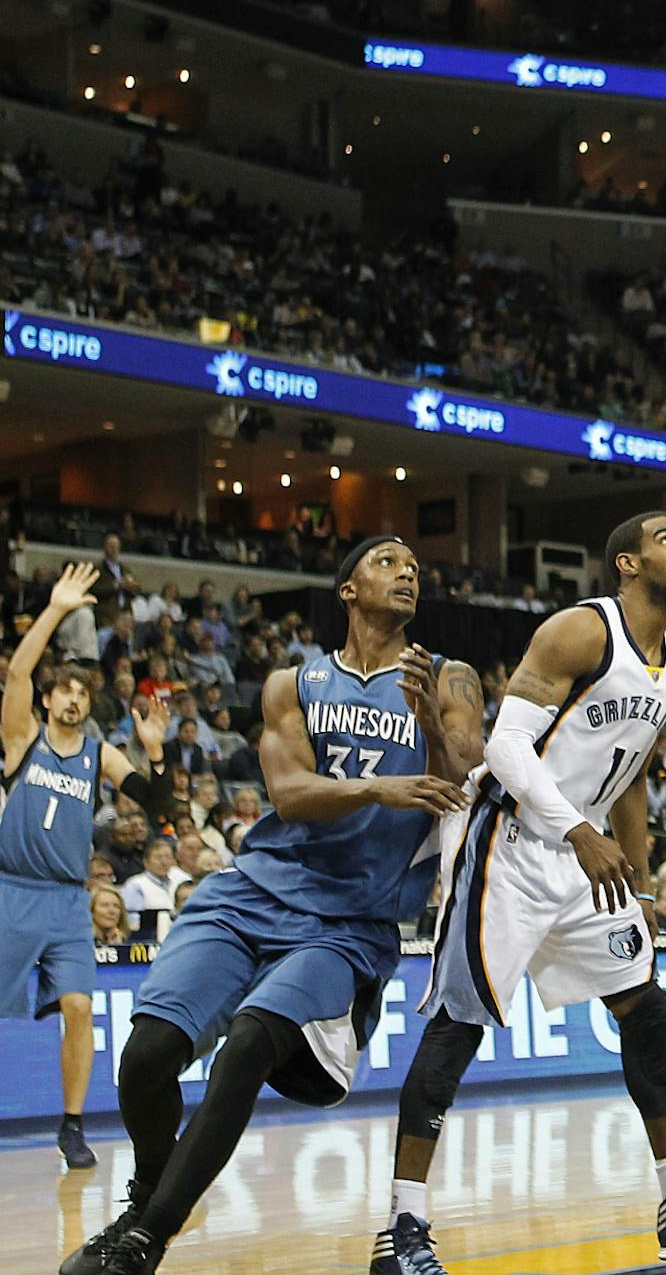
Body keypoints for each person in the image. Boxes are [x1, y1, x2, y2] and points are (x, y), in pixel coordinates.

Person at [374, 514, 666, 1274]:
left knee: (646, 1005)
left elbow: (631, 778)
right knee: (457, 1028)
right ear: (626, 563)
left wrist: (638, 877)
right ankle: (402, 1231)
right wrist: (578, 835)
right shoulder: (579, 631)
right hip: (514, 845)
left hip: (585, 859)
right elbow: (503, 747)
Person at [62, 538, 485, 1275]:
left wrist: (425, 725)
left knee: (250, 1044)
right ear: (348, 590)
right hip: (254, 890)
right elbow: (289, 796)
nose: (408, 569)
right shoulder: (294, 682)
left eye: (416, 563)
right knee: (146, 1057)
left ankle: (144, 1240)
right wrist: (379, 788)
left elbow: (460, 783)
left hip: (348, 922)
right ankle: (150, 1194)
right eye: (387, 561)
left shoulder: (447, 679)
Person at [2, 562, 170, 1170]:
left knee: (79, 1008)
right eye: (65, 690)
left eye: (83, 692)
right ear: (48, 701)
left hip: (68, 899)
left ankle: (71, 1126)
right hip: (11, 889)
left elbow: (158, 802)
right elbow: (19, 669)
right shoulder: (23, 740)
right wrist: (55, 610)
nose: (74, 697)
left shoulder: (100, 753)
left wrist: (157, 753)